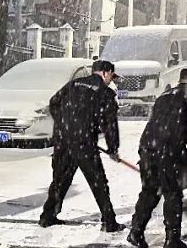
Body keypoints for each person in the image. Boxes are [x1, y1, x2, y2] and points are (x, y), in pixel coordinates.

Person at [39, 59, 124, 232]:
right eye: (111, 77)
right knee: (98, 182)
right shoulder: (104, 93)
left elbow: (53, 102)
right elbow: (110, 125)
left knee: (60, 180)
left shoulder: (72, 85)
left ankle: (47, 217)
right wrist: (113, 148)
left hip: (63, 141)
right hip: (84, 144)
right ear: (106, 73)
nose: (111, 81)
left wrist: (65, 125)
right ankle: (109, 222)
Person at [127, 68, 187, 248]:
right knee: (172, 193)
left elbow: (158, 120)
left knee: (150, 191)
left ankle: (136, 232)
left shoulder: (165, 95)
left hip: (147, 146)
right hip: (168, 149)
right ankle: (172, 241)